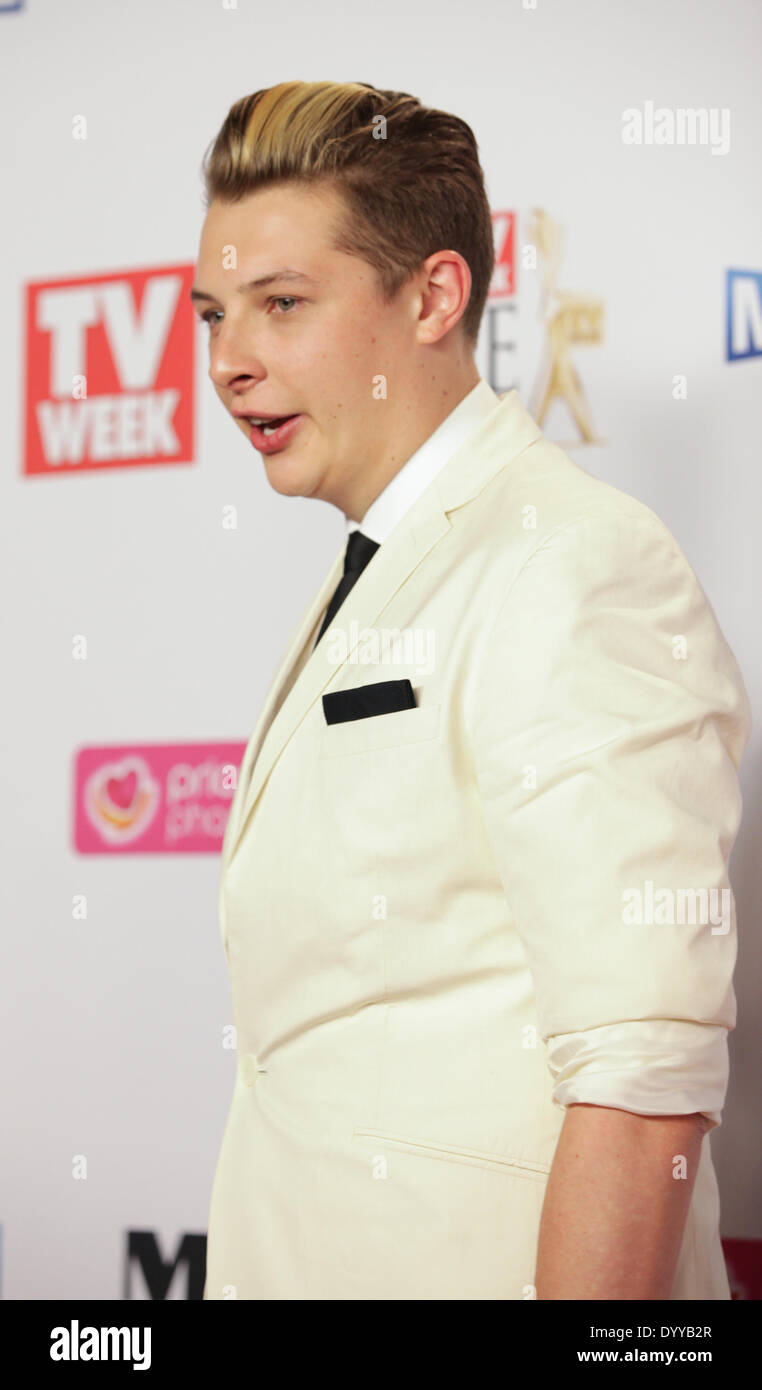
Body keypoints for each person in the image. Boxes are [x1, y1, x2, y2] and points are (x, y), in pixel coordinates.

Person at [192, 80, 751, 1300]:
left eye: (282, 305)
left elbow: (641, 1080)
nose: (231, 364)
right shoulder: (384, 565)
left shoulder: (572, 560)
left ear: (436, 296)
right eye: (212, 315)